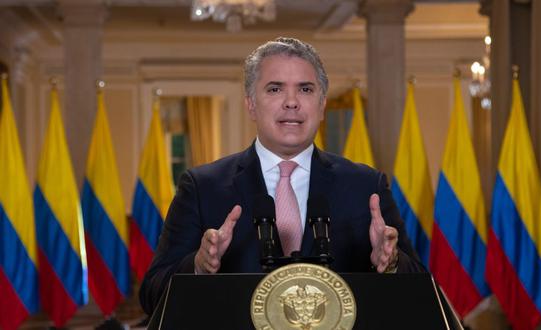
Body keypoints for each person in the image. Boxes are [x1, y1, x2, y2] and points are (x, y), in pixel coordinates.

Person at [139, 37, 424, 315]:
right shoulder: (202, 187)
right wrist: (198, 267)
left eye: (305, 89)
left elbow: (421, 292)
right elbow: (152, 296)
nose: (291, 102)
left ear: (322, 104)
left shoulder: (365, 186)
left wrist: (392, 263)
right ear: (251, 104)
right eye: (275, 89)